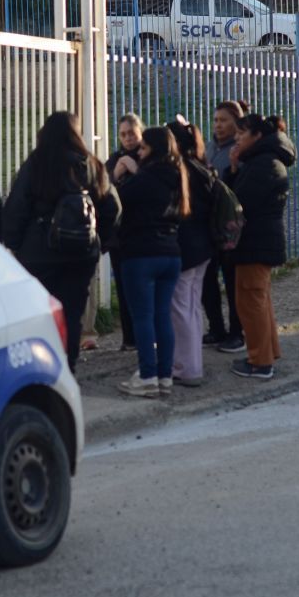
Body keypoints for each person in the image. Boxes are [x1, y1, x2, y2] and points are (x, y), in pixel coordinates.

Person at [2, 111, 120, 373]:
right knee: (73, 312)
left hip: (39, 252)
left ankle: (43, 366)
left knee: (41, 313)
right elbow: (113, 207)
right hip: (81, 252)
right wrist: (103, 241)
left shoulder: (37, 164)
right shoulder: (90, 164)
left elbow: (17, 206)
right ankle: (68, 367)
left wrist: (16, 244)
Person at [115, 127, 189, 397]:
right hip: (170, 253)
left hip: (141, 253)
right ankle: (165, 375)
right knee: (162, 317)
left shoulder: (144, 178)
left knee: (142, 317)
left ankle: (147, 375)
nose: (139, 152)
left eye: (143, 148)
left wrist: (119, 176)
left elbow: (118, 204)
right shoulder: (178, 176)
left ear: (153, 150)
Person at [225, 113, 296, 379]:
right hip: (258, 241)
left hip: (256, 241)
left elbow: (240, 203)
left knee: (251, 302)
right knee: (258, 300)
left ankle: (260, 362)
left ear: (257, 136)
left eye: (241, 134)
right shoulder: (260, 161)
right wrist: (233, 168)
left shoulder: (265, 164)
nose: (236, 140)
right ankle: (268, 352)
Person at [167, 118, 214, 387]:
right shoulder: (201, 166)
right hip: (203, 246)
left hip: (186, 246)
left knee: (181, 308)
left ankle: (186, 368)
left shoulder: (180, 169)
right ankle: (192, 361)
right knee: (192, 308)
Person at [202, 100, 247, 352]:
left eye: (224, 120)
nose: (218, 125)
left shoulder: (239, 150)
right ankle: (216, 328)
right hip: (209, 225)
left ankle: (236, 332)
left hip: (231, 226)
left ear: (236, 123)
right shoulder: (210, 148)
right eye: (216, 120)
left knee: (232, 282)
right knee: (208, 281)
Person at [105, 112, 144, 351]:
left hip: (141, 232)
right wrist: (117, 174)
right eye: (123, 134)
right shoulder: (115, 159)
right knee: (123, 286)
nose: (128, 138)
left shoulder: (147, 155)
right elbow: (104, 187)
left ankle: (143, 337)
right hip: (120, 234)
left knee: (140, 287)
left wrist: (135, 169)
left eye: (131, 133)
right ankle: (129, 338)